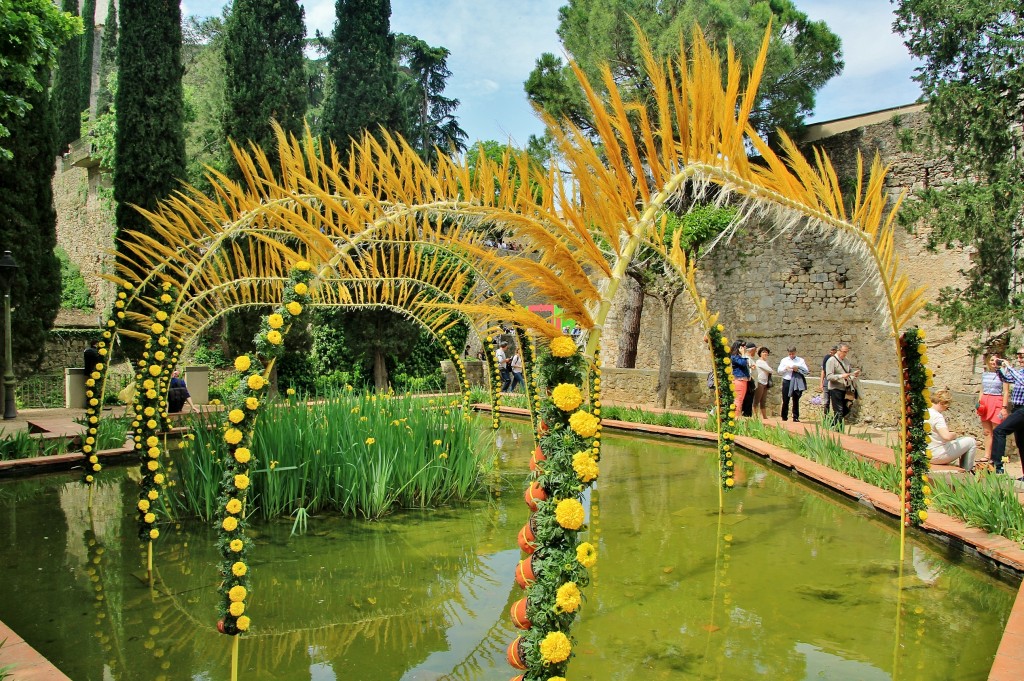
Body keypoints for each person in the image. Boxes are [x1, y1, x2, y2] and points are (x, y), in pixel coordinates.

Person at [927, 387, 977, 472]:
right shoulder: (937, 416)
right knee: (971, 441)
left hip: (924, 453)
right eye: (947, 406)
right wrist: (954, 434)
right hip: (936, 455)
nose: (946, 409)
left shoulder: (924, 411)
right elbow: (947, 436)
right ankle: (967, 470)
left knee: (955, 442)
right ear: (941, 403)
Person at [992, 358, 1024, 476]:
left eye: (1022, 355)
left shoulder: (1020, 374)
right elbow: (1007, 379)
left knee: (999, 431)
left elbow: (1021, 380)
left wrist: (1008, 366)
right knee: (1021, 443)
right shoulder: (1021, 371)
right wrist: (999, 368)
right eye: (1018, 356)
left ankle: (998, 467)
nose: (1020, 358)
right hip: (1017, 408)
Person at [976, 352, 1006, 462]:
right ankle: (987, 455)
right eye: (992, 360)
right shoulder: (985, 374)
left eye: (996, 360)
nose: (994, 362)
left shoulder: (1003, 374)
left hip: (997, 400)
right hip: (985, 402)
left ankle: (996, 456)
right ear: (988, 361)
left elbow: (1006, 392)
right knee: (987, 431)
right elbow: (982, 390)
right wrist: (979, 404)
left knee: (997, 430)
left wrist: (1004, 407)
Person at [824, 343, 859, 426]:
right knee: (839, 411)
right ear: (839, 351)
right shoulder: (831, 361)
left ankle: (832, 425)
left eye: (847, 352)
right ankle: (838, 431)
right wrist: (841, 376)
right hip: (835, 388)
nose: (845, 354)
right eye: (844, 352)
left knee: (847, 408)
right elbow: (829, 376)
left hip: (846, 388)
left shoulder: (846, 360)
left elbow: (849, 372)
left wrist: (854, 374)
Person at [777, 346, 811, 422]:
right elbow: (779, 371)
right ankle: (784, 416)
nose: (791, 355)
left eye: (793, 353)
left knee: (796, 399)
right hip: (787, 380)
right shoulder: (784, 360)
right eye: (790, 354)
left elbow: (806, 370)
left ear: (795, 352)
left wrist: (797, 369)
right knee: (785, 399)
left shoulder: (800, 360)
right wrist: (785, 368)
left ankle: (795, 417)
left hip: (796, 381)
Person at [729, 340, 751, 414]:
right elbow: (743, 363)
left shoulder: (739, 356)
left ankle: (736, 415)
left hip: (742, 380)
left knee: (740, 399)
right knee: (738, 399)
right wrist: (744, 354)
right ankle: (735, 416)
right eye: (743, 346)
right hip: (739, 380)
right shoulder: (735, 356)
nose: (745, 348)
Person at [752, 346, 774, 419]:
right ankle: (755, 416)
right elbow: (770, 370)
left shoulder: (765, 362)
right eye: (763, 352)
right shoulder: (759, 362)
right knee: (756, 400)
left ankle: (764, 416)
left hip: (765, 383)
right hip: (760, 382)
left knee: (763, 401)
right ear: (760, 354)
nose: (765, 353)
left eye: (766, 352)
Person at [83, 340, 102, 408]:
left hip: (87, 371)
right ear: (96, 344)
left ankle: (89, 403)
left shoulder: (87, 350)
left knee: (90, 388)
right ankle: (94, 403)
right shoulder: (95, 352)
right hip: (94, 372)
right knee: (95, 388)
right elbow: (98, 360)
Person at [820, 345, 838, 416]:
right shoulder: (827, 357)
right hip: (827, 381)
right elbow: (823, 371)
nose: (831, 353)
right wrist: (821, 383)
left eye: (833, 351)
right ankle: (826, 417)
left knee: (835, 401)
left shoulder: (839, 359)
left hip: (835, 382)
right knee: (826, 401)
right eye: (830, 351)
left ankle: (835, 418)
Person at [741, 344, 758, 417]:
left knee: (749, 401)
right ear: (752, 350)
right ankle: (746, 416)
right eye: (755, 350)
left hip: (751, 382)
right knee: (748, 401)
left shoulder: (750, 358)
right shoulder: (746, 358)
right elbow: (747, 371)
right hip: (749, 383)